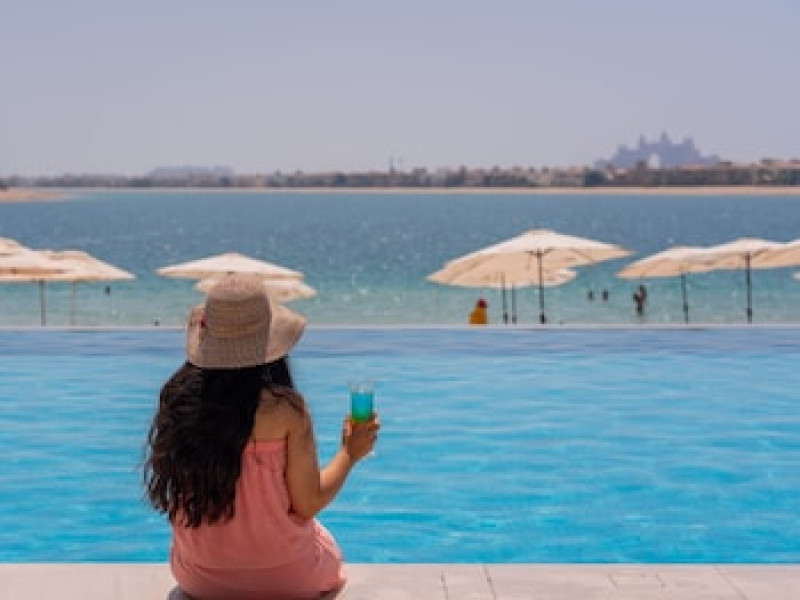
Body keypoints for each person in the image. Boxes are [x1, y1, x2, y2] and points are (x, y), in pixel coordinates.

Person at [144, 273, 379, 600]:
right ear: (270, 342)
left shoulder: (177, 402)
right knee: (319, 537)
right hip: (289, 579)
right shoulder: (286, 411)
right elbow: (308, 503)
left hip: (201, 580)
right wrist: (349, 453)